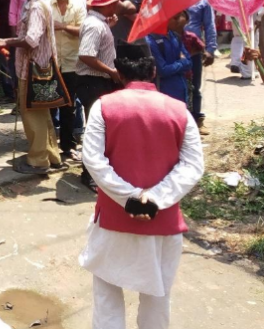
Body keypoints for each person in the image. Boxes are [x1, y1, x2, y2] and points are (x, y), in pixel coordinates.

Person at [79, 42, 204, 329]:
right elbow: (193, 165)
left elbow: (93, 160)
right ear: (154, 71)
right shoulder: (180, 111)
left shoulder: (103, 107)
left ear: (119, 73)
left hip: (113, 220)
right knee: (157, 297)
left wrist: (131, 198)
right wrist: (155, 198)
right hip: (163, 222)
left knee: (107, 295)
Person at [0, 0, 63, 175]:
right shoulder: (40, 4)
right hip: (41, 67)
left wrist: (7, 41)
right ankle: (51, 155)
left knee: (32, 115)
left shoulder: (35, 7)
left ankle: (38, 160)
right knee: (42, 113)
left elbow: (31, 40)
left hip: (32, 69)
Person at [76, 0, 124, 191]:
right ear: (108, 4)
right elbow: (86, 55)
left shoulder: (99, 22)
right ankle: (89, 175)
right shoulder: (95, 25)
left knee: (100, 128)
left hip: (96, 81)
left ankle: (94, 172)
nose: (119, 4)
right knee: (97, 130)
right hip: (93, 82)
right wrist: (111, 72)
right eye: (116, 1)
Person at [50, 0, 86, 163]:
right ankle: (48, 147)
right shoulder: (45, 5)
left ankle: (68, 146)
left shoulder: (78, 6)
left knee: (69, 106)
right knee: (47, 106)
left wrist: (62, 26)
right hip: (49, 64)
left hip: (72, 63)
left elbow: (83, 30)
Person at [185, 0, 216, 135]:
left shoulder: (202, 1)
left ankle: (197, 120)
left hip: (194, 49)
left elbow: (209, 25)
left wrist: (210, 49)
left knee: (194, 86)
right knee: (176, 84)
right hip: (174, 46)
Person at [147, 11, 192, 104]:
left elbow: (189, 62)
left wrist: (179, 64)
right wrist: (182, 62)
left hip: (182, 91)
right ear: (164, 19)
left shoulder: (175, 36)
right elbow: (163, 70)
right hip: (165, 94)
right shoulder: (151, 41)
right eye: (175, 18)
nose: (179, 21)